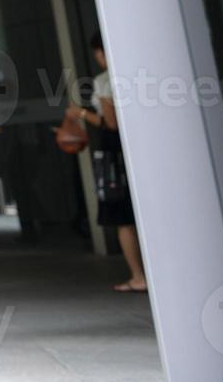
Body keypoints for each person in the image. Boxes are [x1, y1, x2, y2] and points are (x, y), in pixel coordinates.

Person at [73, 32, 146, 292]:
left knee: (123, 217)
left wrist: (81, 113)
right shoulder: (143, 71)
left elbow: (111, 123)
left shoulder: (105, 81)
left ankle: (138, 276)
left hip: (117, 153)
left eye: (98, 54)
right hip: (145, 148)